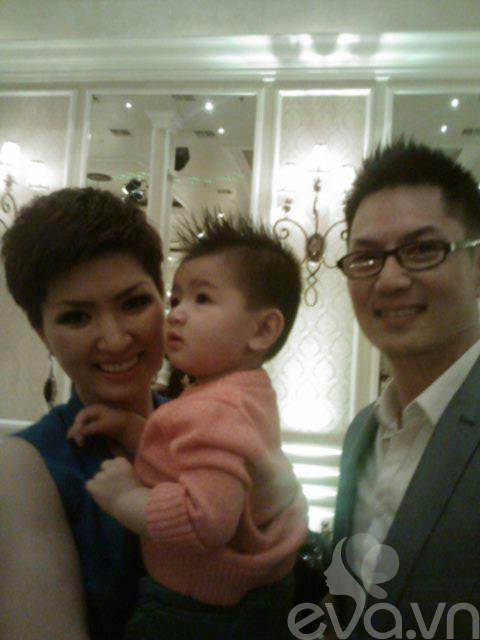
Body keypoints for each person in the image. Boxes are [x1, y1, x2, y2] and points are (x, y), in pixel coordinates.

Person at [72, 214, 309, 639]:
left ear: (262, 329)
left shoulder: (214, 408)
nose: (176, 315)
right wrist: (130, 428)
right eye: (176, 299)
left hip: (202, 612)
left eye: (202, 299)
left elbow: (205, 521)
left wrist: (126, 497)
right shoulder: (244, 392)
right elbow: (191, 458)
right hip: (260, 595)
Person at [0, 187, 167, 640]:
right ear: (42, 331)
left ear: (163, 297)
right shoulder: (23, 466)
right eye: (76, 317)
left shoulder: (206, 422)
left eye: (134, 303)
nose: (114, 339)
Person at [332, 139, 480, 638]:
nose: (390, 280)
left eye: (422, 250)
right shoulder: (361, 433)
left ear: (477, 266)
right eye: (366, 258)